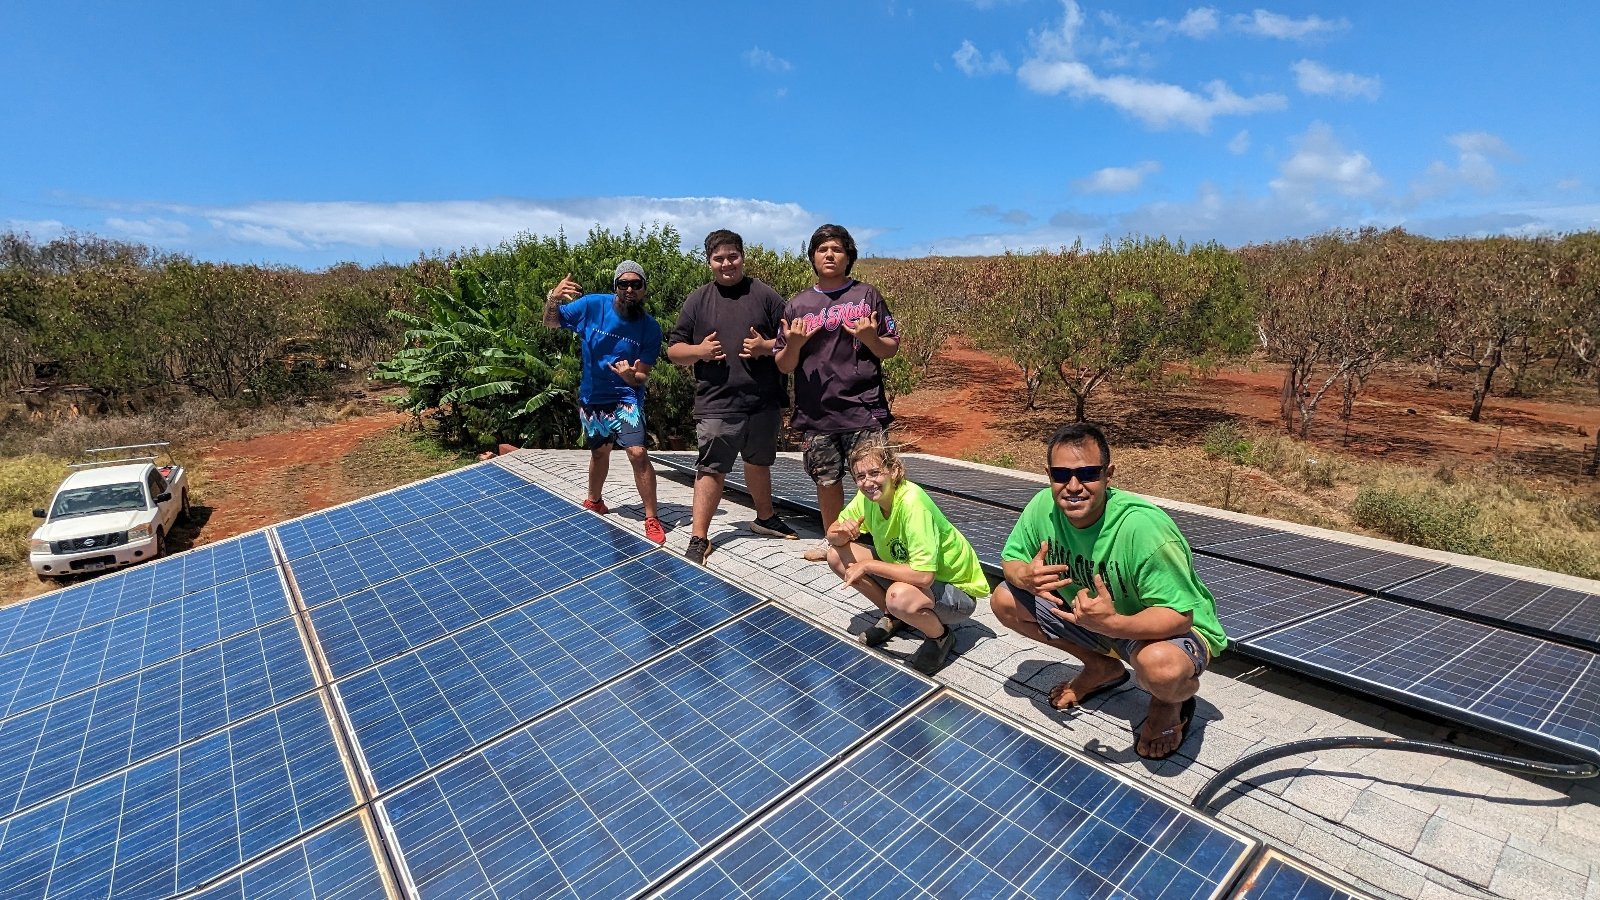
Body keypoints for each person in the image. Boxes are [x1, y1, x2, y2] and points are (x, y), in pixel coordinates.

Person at [991, 423, 1228, 760]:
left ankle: (1169, 701)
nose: (1073, 486)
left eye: (1087, 473)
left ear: (1108, 474)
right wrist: (1024, 576)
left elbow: (1179, 617)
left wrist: (1112, 624)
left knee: (1162, 669)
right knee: (1004, 599)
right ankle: (1102, 668)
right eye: (1061, 475)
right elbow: (1011, 559)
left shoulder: (1144, 530)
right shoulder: (1041, 506)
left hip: (1165, 630)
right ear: (1048, 475)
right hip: (1092, 619)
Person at [666, 230, 798, 564]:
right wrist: (700, 351)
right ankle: (699, 537)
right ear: (709, 262)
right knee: (710, 468)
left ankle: (764, 518)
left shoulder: (765, 295)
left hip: (762, 400)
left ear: (742, 256)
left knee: (759, 461)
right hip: (717, 403)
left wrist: (765, 346)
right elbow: (674, 351)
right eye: (719, 258)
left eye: (733, 256)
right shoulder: (698, 300)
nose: (727, 264)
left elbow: (792, 337)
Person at [774, 224, 899, 561]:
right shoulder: (797, 305)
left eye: (837, 249)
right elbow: (784, 364)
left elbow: (889, 348)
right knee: (827, 482)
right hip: (817, 413)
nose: (829, 255)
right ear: (813, 257)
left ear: (848, 256)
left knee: (877, 480)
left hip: (864, 409)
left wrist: (871, 338)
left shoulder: (867, 296)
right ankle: (836, 543)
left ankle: (889, 545)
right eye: (822, 249)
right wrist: (796, 345)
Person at [825, 438, 987, 675]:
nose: (868, 482)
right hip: (911, 574)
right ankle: (896, 617)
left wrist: (868, 565)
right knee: (835, 556)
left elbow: (924, 576)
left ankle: (940, 637)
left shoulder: (912, 504)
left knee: (898, 596)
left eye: (875, 473)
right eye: (860, 477)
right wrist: (840, 532)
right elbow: (832, 536)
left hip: (956, 590)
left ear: (893, 470)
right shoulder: (868, 498)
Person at [544, 261, 666, 544]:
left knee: (637, 453)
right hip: (593, 398)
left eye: (636, 284)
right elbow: (551, 322)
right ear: (615, 287)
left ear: (644, 289)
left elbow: (641, 376)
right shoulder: (591, 306)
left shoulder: (650, 329)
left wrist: (629, 376)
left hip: (626, 397)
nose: (630, 289)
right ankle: (595, 501)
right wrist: (553, 299)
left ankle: (651, 518)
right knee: (600, 453)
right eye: (624, 284)